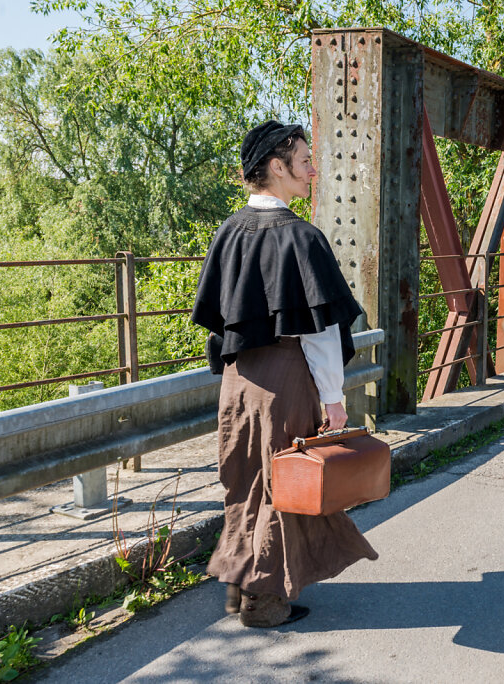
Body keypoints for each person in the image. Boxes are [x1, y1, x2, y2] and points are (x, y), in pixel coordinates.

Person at [190, 120, 378, 628]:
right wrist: (334, 397)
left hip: (239, 381)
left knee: (244, 480)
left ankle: (246, 584)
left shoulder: (229, 232)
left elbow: (221, 317)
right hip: (286, 379)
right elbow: (317, 332)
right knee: (282, 485)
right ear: (277, 166)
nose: (312, 170)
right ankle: (266, 603)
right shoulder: (300, 238)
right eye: (303, 160)